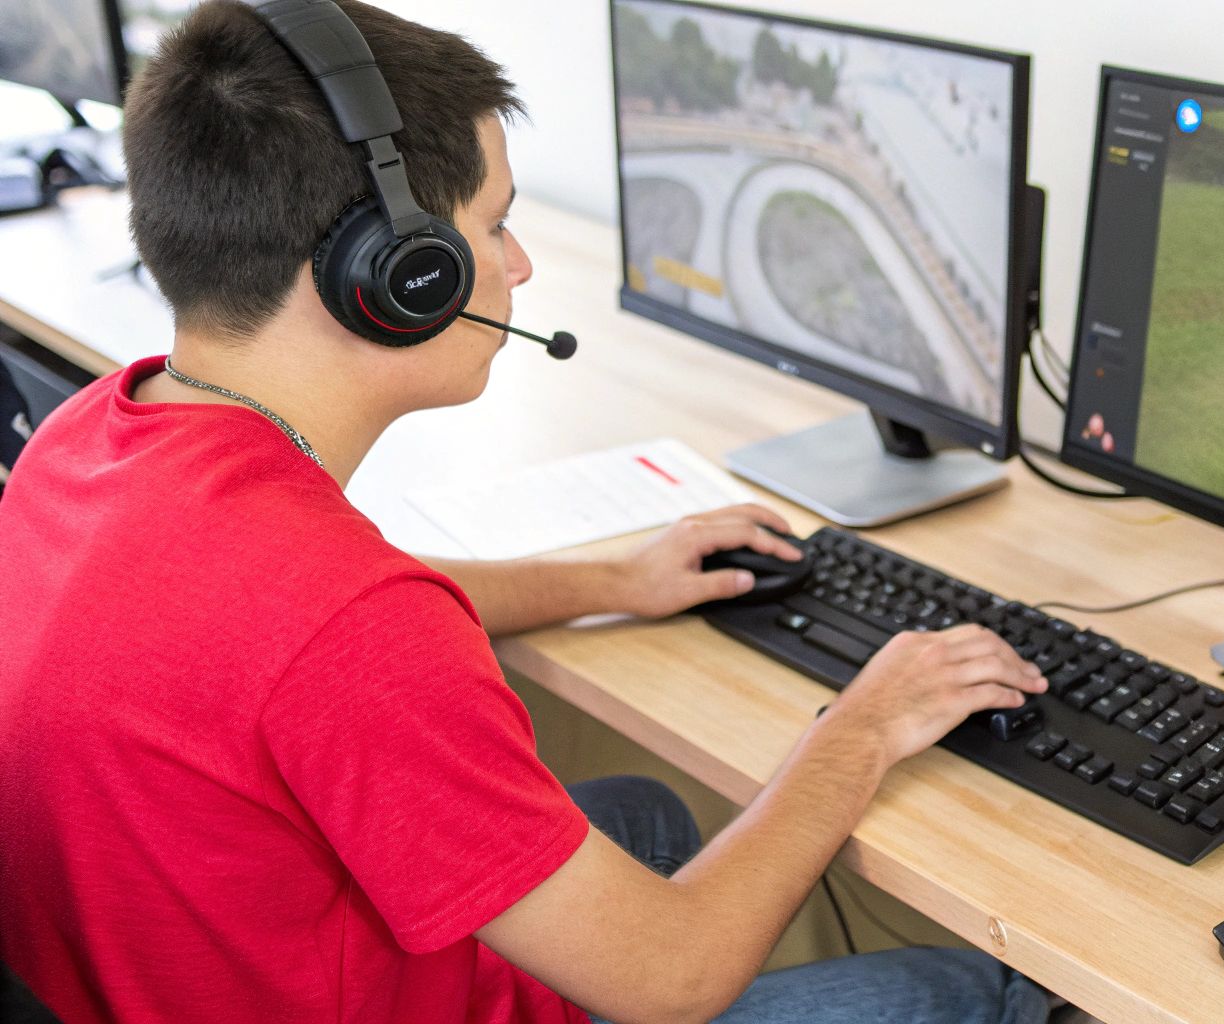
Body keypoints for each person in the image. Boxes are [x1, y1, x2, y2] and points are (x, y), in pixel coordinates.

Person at [0, 3, 1051, 1023]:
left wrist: (614, 582)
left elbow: (288, 642)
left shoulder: (94, 433)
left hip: (166, 975)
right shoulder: (347, 629)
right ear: (401, 275)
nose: (520, 264)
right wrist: (860, 729)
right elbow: (671, 980)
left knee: (642, 812)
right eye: (493, 224)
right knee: (969, 991)